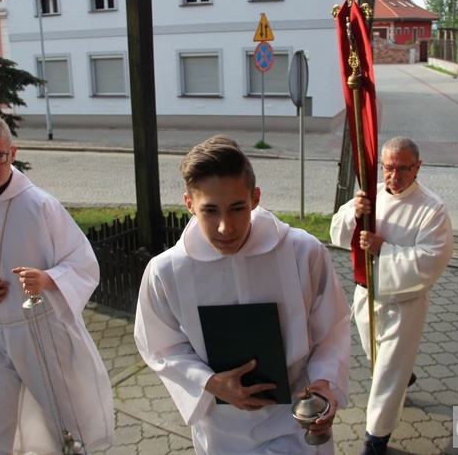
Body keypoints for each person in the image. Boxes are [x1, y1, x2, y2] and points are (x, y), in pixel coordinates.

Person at [134, 135, 350, 454]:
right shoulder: (167, 271)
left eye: (237, 208)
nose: (225, 228)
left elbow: (331, 327)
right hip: (221, 427)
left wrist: (323, 381)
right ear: (189, 204)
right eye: (210, 211)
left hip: (294, 416)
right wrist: (208, 382)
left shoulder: (303, 252)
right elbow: (161, 345)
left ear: (256, 198)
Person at [0, 109, 114, 454]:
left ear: (13, 153)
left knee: (63, 419)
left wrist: (47, 278)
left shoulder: (40, 206)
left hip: (40, 331)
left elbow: (83, 263)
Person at [330, 137, 453, 455]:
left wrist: (385, 249)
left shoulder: (431, 209)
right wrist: (354, 215)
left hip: (403, 304)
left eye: (403, 168)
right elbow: (338, 234)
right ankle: (405, 376)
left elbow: (431, 260)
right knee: (376, 357)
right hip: (366, 294)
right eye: (388, 167)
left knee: (384, 374)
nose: (394, 176)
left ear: (418, 167)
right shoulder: (370, 195)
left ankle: (376, 438)